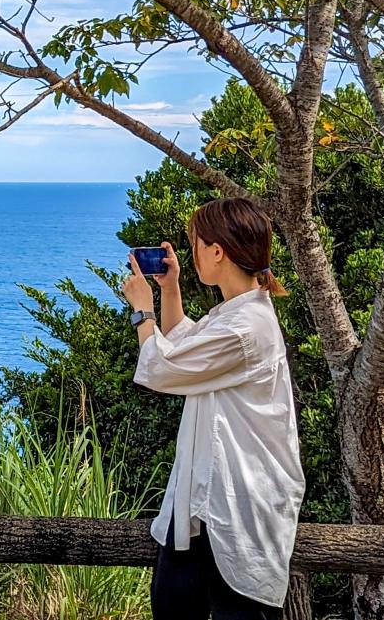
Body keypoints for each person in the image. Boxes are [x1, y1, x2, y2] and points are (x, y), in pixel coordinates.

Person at [121, 197, 305, 620]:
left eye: (197, 244)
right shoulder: (237, 315)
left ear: (217, 251)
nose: (194, 253)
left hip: (238, 505)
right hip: (203, 504)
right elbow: (184, 345)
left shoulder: (246, 328)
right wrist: (171, 289)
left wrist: (141, 310)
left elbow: (162, 368)